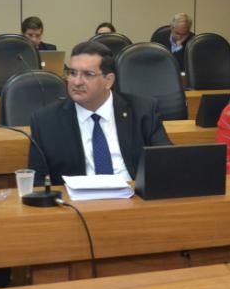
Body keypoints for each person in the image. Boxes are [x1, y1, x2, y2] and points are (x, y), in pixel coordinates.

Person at [28, 41, 171, 185]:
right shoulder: (46, 121)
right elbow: (37, 182)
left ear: (108, 81)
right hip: (75, 197)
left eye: (88, 74)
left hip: (134, 193)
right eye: (72, 73)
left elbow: (167, 160)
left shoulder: (142, 110)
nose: (77, 82)